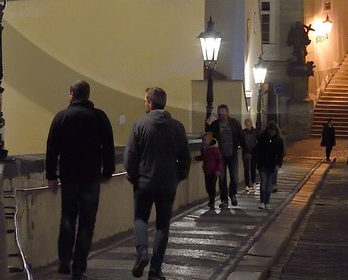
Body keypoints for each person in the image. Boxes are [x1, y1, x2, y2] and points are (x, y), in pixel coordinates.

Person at [45, 80, 116, 280]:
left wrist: (51, 175)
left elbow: (52, 149)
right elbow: (108, 147)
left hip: (69, 175)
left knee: (68, 217)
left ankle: (64, 259)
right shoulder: (99, 117)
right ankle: (79, 267)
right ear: (88, 95)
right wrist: (108, 171)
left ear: (71, 94)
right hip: (91, 176)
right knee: (87, 222)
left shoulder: (62, 117)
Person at [125, 86, 190, 280]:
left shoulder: (140, 125)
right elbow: (185, 157)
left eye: (145, 100)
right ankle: (155, 270)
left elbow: (130, 156)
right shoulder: (177, 127)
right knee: (163, 225)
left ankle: (142, 252)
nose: (145, 103)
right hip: (168, 183)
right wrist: (178, 176)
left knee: (140, 219)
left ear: (151, 103)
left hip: (144, 181)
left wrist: (133, 175)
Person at [207, 103, 243, 206]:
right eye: (219, 113)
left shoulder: (234, 123)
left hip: (232, 154)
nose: (221, 115)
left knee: (235, 177)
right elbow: (209, 135)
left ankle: (233, 195)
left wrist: (246, 149)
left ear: (227, 113)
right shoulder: (214, 124)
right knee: (222, 178)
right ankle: (224, 200)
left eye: (223, 112)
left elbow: (241, 135)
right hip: (220, 156)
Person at [253, 121, 284, 209]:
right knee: (264, 184)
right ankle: (263, 202)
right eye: (271, 131)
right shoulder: (263, 138)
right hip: (263, 164)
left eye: (273, 131)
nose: (272, 133)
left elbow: (280, 153)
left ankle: (267, 202)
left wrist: (278, 164)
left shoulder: (278, 140)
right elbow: (258, 150)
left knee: (269, 185)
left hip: (272, 165)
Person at [199, 132, 226, 212]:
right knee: (208, 187)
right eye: (203, 140)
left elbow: (220, 160)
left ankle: (212, 202)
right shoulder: (205, 149)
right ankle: (211, 200)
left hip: (214, 171)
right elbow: (203, 157)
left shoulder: (215, 150)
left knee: (212, 186)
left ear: (210, 140)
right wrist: (195, 158)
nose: (203, 141)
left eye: (205, 140)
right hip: (206, 171)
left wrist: (218, 170)